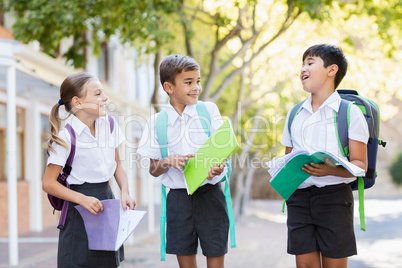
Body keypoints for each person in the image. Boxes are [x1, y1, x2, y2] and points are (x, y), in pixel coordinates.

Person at [137, 54, 230, 268]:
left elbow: (221, 156)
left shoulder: (209, 111)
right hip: (179, 200)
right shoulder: (156, 123)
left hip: (210, 196)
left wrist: (217, 169)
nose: (196, 87)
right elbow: (153, 169)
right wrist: (168, 161)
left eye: (197, 81)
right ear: (169, 87)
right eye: (188, 82)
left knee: (216, 259)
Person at [281, 44, 369, 268]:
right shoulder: (294, 113)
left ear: (331, 70)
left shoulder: (350, 113)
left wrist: (330, 170)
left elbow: (361, 164)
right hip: (299, 199)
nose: (303, 69)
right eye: (302, 64)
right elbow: (288, 159)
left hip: (334, 200)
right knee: (305, 265)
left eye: (310, 63)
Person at [42, 72, 136, 268]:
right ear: (77, 102)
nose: (105, 98)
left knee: (106, 262)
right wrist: (82, 199)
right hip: (79, 206)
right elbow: (48, 183)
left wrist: (124, 191)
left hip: (107, 200)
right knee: (78, 261)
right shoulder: (66, 137)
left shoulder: (109, 125)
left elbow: (117, 164)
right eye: (98, 94)